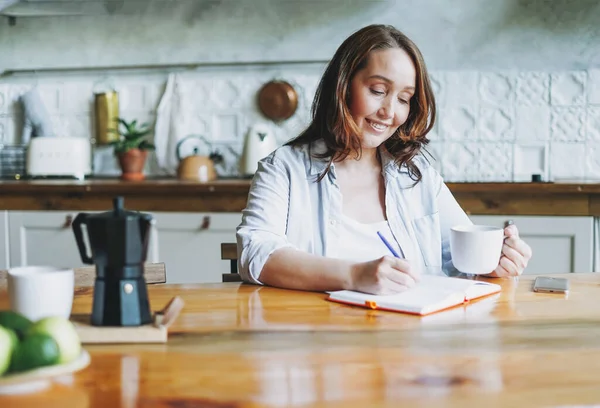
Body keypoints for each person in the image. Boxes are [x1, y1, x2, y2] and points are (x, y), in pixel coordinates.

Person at [236, 24, 532, 295]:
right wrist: (354, 275)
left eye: (404, 99)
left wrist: (496, 263)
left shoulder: (417, 177)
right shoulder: (283, 169)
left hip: (408, 345)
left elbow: (460, 260)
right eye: (378, 91)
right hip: (318, 343)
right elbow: (256, 254)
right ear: (342, 85)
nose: (390, 111)